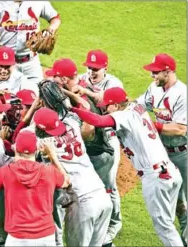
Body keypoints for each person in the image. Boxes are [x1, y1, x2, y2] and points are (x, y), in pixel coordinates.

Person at [70, 87, 184, 246]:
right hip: (171, 173)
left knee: (165, 228)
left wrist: (71, 109)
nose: (104, 108)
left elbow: (99, 121)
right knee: (168, 224)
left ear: (116, 106)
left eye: (107, 106)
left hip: (156, 177)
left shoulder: (123, 115)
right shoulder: (137, 108)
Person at [46, 58, 122, 246]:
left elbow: (87, 132)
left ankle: (112, 226)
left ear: (63, 79)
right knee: (99, 192)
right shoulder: (78, 90)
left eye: (55, 77)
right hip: (95, 150)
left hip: (99, 153)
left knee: (101, 188)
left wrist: (65, 135)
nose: (53, 80)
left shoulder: (81, 94)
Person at [33, 107, 113, 247]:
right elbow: (75, 110)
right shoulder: (73, 124)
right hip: (102, 195)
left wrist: (34, 108)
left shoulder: (42, 143)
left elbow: (20, 142)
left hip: (83, 203)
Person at [136, 53, 187, 244]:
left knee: (185, 201)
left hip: (183, 153)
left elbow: (181, 129)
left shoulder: (183, 94)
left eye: (156, 73)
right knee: (173, 200)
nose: (152, 76)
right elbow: (138, 105)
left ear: (168, 71)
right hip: (162, 153)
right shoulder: (154, 88)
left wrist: (153, 125)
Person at [0, 130, 70, 246]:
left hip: (17, 238)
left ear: (16, 149)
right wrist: (52, 155)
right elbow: (66, 182)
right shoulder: (49, 171)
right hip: (45, 236)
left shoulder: (5, 172)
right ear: (36, 150)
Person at [0, 1, 61, 85]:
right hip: (6, 63)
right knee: (3, 95)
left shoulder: (39, 3)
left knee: (39, 94)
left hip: (31, 63)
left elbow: (55, 18)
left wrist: (50, 30)